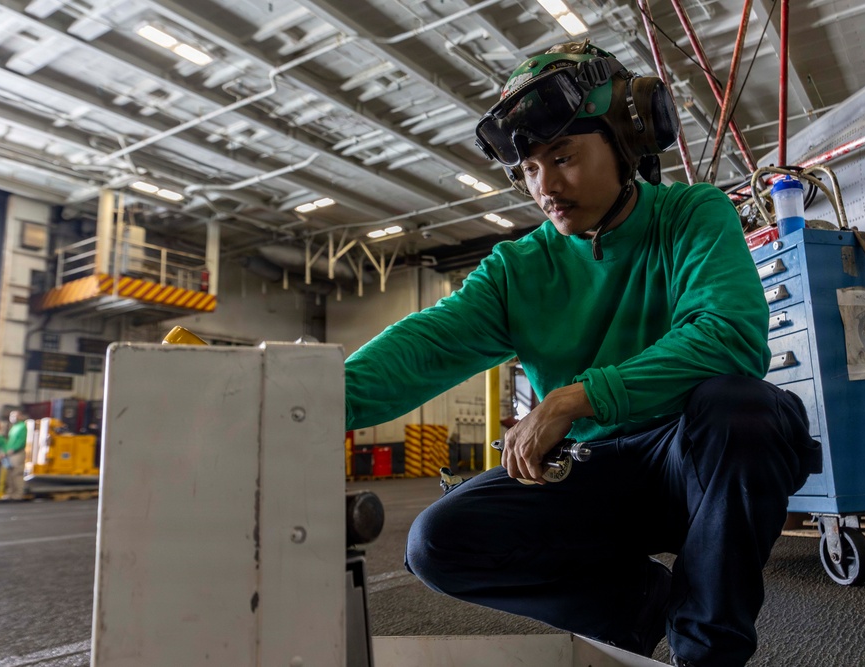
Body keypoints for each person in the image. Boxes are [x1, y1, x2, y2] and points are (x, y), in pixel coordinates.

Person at [344, 40, 821, 667]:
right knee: (438, 542)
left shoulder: (692, 215)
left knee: (741, 406)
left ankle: (708, 655)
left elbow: (728, 336)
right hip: (594, 467)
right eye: (531, 170)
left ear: (628, 139)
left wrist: (575, 397)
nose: (545, 185)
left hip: (697, 462)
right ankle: (631, 606)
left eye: (562, 157)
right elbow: (424, 346)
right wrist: (300, 396)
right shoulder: (518, 269)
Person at [1, 410, 28, 501]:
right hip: (10, 453)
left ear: (20, 417)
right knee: (10, 474)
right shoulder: (13, 427)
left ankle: (18, 494)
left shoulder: (22, 427)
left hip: (17, 453)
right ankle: (10, 493)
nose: (12, 418)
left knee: (17, 474)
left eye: (15, 416)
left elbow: (21, 441)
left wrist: (13, 450)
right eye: (11, 416)